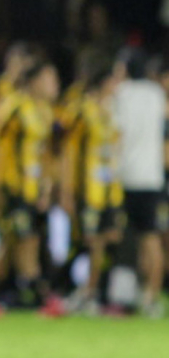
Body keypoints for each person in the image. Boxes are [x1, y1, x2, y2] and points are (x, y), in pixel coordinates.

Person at [0, 61, 60, 312]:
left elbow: (44, 155)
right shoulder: (14, 106)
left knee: (21, 242)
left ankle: (0, 294)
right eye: (49, 79)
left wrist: (46, 188)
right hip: (12, 187)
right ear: (34, 81)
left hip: (33, 190)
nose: (54, 84)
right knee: (23, 239)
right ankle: (35, 295)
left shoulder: (45, 111)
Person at [60, 66, 124, 315]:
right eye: (115, 80)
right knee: (89, 241)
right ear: (104, 82)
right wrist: (66, 190)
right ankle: (76, 290)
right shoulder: (81, 111)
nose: (118, 85)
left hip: (110, 190)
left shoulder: (113, 111)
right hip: (88, 190)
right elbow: (68, 151)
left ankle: (92, 292)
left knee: (109, 239)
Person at [112, 51, 167, 318]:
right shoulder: (157, 94)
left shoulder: (121, 93)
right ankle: (150, 296)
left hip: (126, 177)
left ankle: (130, 296)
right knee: (151, 239)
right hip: (152, 178)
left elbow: (116, 133)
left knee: (130, 241)